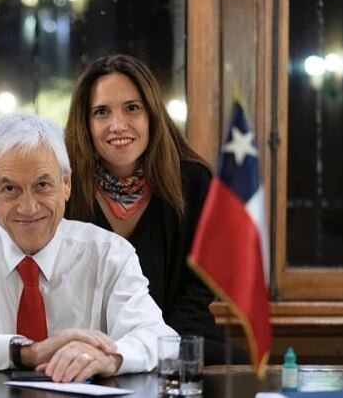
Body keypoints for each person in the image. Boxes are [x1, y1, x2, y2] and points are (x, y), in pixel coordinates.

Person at [0, 113, 176, 382]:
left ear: (66, 185)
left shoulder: (110, 254)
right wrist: (26, 352)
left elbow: (158, 337)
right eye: (10, 189)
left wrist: (110, 357)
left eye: (43, 185)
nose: (28, 207)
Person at [64, 54, 248, 364]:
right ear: (85, 123)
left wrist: (150, 346)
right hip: (92, 344)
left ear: (152, 115)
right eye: (101, 112)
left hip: (176, 337)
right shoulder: (65, 186)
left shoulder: (193, 180)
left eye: (132, 108)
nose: (117, 124)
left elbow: (198, 288)